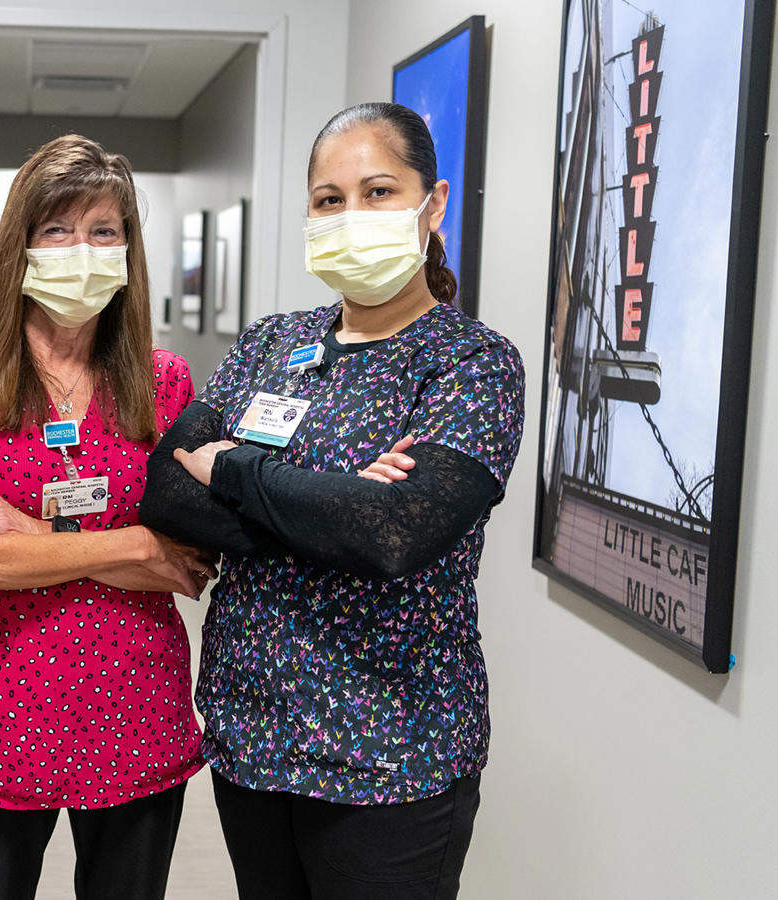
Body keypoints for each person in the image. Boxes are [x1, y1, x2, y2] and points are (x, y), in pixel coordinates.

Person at [140, 102, 526, 899]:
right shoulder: (272, 344)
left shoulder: (471, 366)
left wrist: (240, 474)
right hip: (252, 729)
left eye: (379, 191)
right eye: (329, 199)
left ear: (434, 202)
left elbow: (394, 534)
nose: (351, 215)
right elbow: (168, 488)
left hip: (390, 751)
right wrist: (331, 510)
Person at [0, 134, 214, 900]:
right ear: (21, 247)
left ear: (130, 250)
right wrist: (137, 543)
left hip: (137, 704)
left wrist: (30, 528)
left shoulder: (165, 382)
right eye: (58, 230)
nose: (84, 249)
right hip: (0, 702)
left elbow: (189, 564)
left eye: (105, 231)